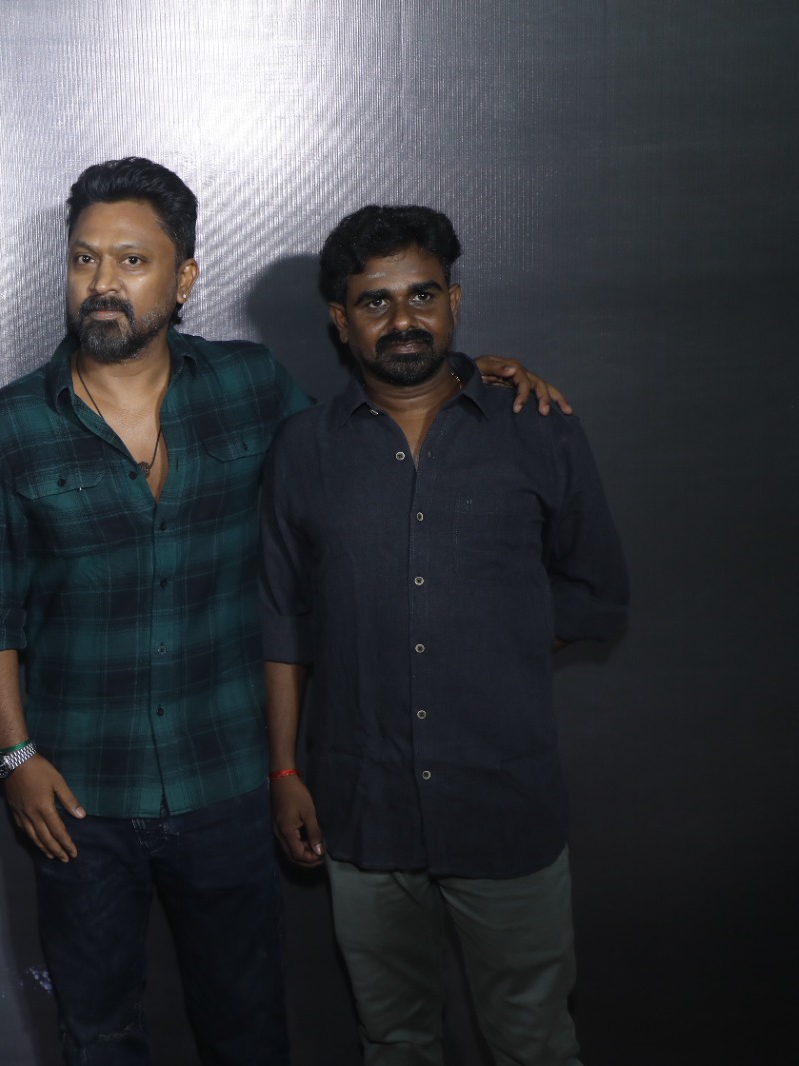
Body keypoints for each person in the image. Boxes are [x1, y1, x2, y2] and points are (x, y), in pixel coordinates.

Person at [0, 158, 566, 1065]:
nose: (103, 282)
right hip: (77, 792)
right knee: (97, 1035)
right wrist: (13, 758)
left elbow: (363, 449)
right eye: (85, 260)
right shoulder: (3, 429)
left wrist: (472, 380)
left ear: (184, 279)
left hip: (231, 784)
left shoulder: (251, 387)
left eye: (132, 261)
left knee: (247, 1032)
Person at [263, 204, 629, 1064]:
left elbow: (596, 591)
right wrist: (284, 770)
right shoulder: (303, 450)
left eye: (422, 295)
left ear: (454, 302)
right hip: (364, 809)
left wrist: (492, 639)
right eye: (376, 301)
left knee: (534, 1041)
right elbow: (283, 622)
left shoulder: (537, 424)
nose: (403, 320)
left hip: (504, 804)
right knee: (394, 1041)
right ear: (340, 319)